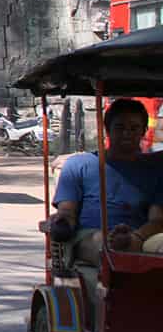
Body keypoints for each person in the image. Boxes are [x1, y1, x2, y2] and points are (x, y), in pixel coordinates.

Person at [50, 98, 163, 261]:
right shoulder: (78, 165)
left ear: (144, 130)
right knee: (105, 245)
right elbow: (67, 211)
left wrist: (136, 237)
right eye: (120, 127)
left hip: (140, 236)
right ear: (107, 129)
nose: (127, 133)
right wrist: (62, 222)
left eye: (134, 128)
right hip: (90, 236)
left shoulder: (155, 169)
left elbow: (157, 219)